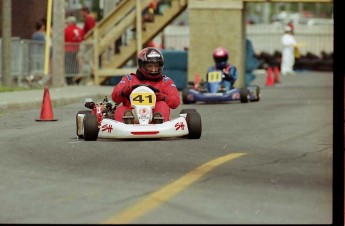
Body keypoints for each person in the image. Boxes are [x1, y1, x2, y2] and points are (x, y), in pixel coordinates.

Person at [111, 47, 180, 124]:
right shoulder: (129, 79)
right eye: (150, 66)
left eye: (156, 66)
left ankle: (159, 121)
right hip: (132, 114)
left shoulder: (166, 81)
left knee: (163, 105)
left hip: (153, 115)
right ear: (141, 65)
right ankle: (127, 122)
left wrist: (164, 97)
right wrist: (123, 92)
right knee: (120, 109)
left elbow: (175, 102)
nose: (154, 70)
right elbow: (115, 97)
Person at [64, 16, 84, 84]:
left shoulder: (67, 29)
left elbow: (64, 38)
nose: (67, 24)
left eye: (68, 22)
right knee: (75, 64)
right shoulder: (80, 30)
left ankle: (69, 78)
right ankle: (76, 76)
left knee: (69, 64)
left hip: (69, 49)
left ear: (71, 22)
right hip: (77, 48)